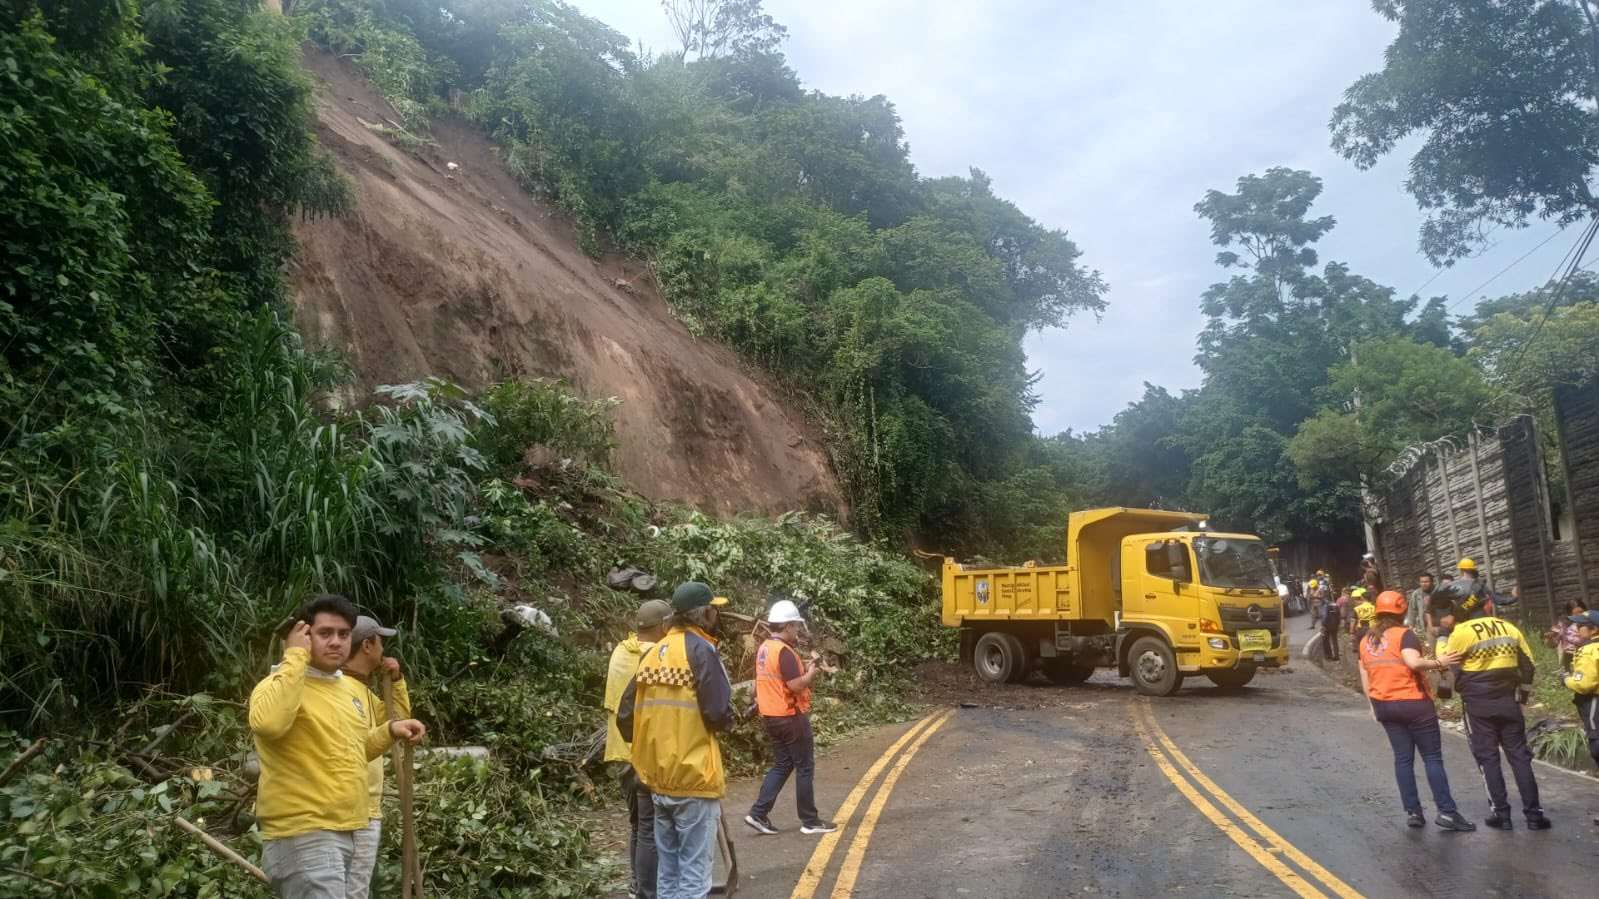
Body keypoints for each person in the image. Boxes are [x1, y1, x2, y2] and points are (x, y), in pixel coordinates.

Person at [249, 595, 427, 899]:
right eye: (325, 633)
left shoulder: (345, 690)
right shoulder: (279, 683)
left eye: (343, 634)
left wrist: (389, 730)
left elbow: (354, 751)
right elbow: (268, 724)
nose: (336, 642)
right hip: (304, 833)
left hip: (344, 830)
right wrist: (295, 655)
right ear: (304, 635)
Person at [617, 583, 735, 899]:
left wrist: (654, 747)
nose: (717, 614)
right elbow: (717, 713)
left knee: (668, 873)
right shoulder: (701, 651)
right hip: (693, 779)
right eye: (714, 609)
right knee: (694, 876)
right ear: (704, 613)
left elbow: (625, 717)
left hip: (657, 780)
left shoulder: (653, 654)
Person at [1357, 591, 1475, 831]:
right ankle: (1447, 812)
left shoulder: (1366, 640)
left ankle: (1413, 812)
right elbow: (1413, 662)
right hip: (1413, 703)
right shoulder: (1405, 634)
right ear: (1402, 611)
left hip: (1384, 705)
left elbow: (1364, 674)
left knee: (1403, 759)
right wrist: (1439, 662)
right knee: (1431, 757)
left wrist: (1372, 706)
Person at [1443, 596, 1550, 830]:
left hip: (1477, 704)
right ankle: (1534, 816)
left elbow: (1449, 666)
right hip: (1508, 700)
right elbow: (1528, 666)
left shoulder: (1461, 632)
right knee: (1520, 757)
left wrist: (1461, 688)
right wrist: (1522, 696)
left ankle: (1502, 815)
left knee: (1488, 758)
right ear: (1486, 607)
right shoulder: (1508, 627)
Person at [745, 600, 837, 837]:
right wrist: (812, 673)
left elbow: (776, 676)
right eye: (795, 626)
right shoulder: (784, 651)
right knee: (804, 767)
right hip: (790, 717)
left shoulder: (766, 647)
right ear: (786, 626)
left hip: (771, 717)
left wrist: (804, 667)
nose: (797, 630)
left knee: (783, 764)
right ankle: (810, 820)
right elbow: (795, 685)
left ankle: (758, 813)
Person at [606, 599, 673, 899]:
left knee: (638, 825)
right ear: (664, 625)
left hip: (619, 749)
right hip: (642, 751)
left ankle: (638, 884)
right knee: (651, 828)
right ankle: (649, 888)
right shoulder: (655, 655)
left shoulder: (622, 650)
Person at [338, 615, 408, 899]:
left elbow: (397, 721)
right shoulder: (339, 688)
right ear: (367, 645)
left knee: (353, 889)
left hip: (365, 808)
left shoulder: (363, 692)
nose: (383, 649)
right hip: (351, 809)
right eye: (380, 642)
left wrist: (396, 680)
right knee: (350, 891)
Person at [1559, 608, 1599, 825]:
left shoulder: (1589, 650)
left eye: (1581, 626)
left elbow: (1584, 683)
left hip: (1594, 703)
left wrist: (1566, 679)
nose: (1576, 628)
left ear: (1593, 630)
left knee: (1597, 745)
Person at [1548, 599, 1590, 673]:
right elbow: (1552, 645)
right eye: (1575, 615)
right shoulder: (1563, 627)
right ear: (1569, 615)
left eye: (1581, 612)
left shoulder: (1591, 625)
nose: (1579, 616)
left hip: (1587, 657)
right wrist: (1550, 638)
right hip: (1569, 659)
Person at [1322, 588, 1345, 661]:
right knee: (1334, 640)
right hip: (1335, 625)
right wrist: (1338, 624)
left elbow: (1325, 616)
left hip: (1327, 625)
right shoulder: (1336, 605)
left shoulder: (1326, 605)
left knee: (1325, 640)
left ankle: (1329, 655)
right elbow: (1339, 615)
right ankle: (1336, 656)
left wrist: (1323, 625)